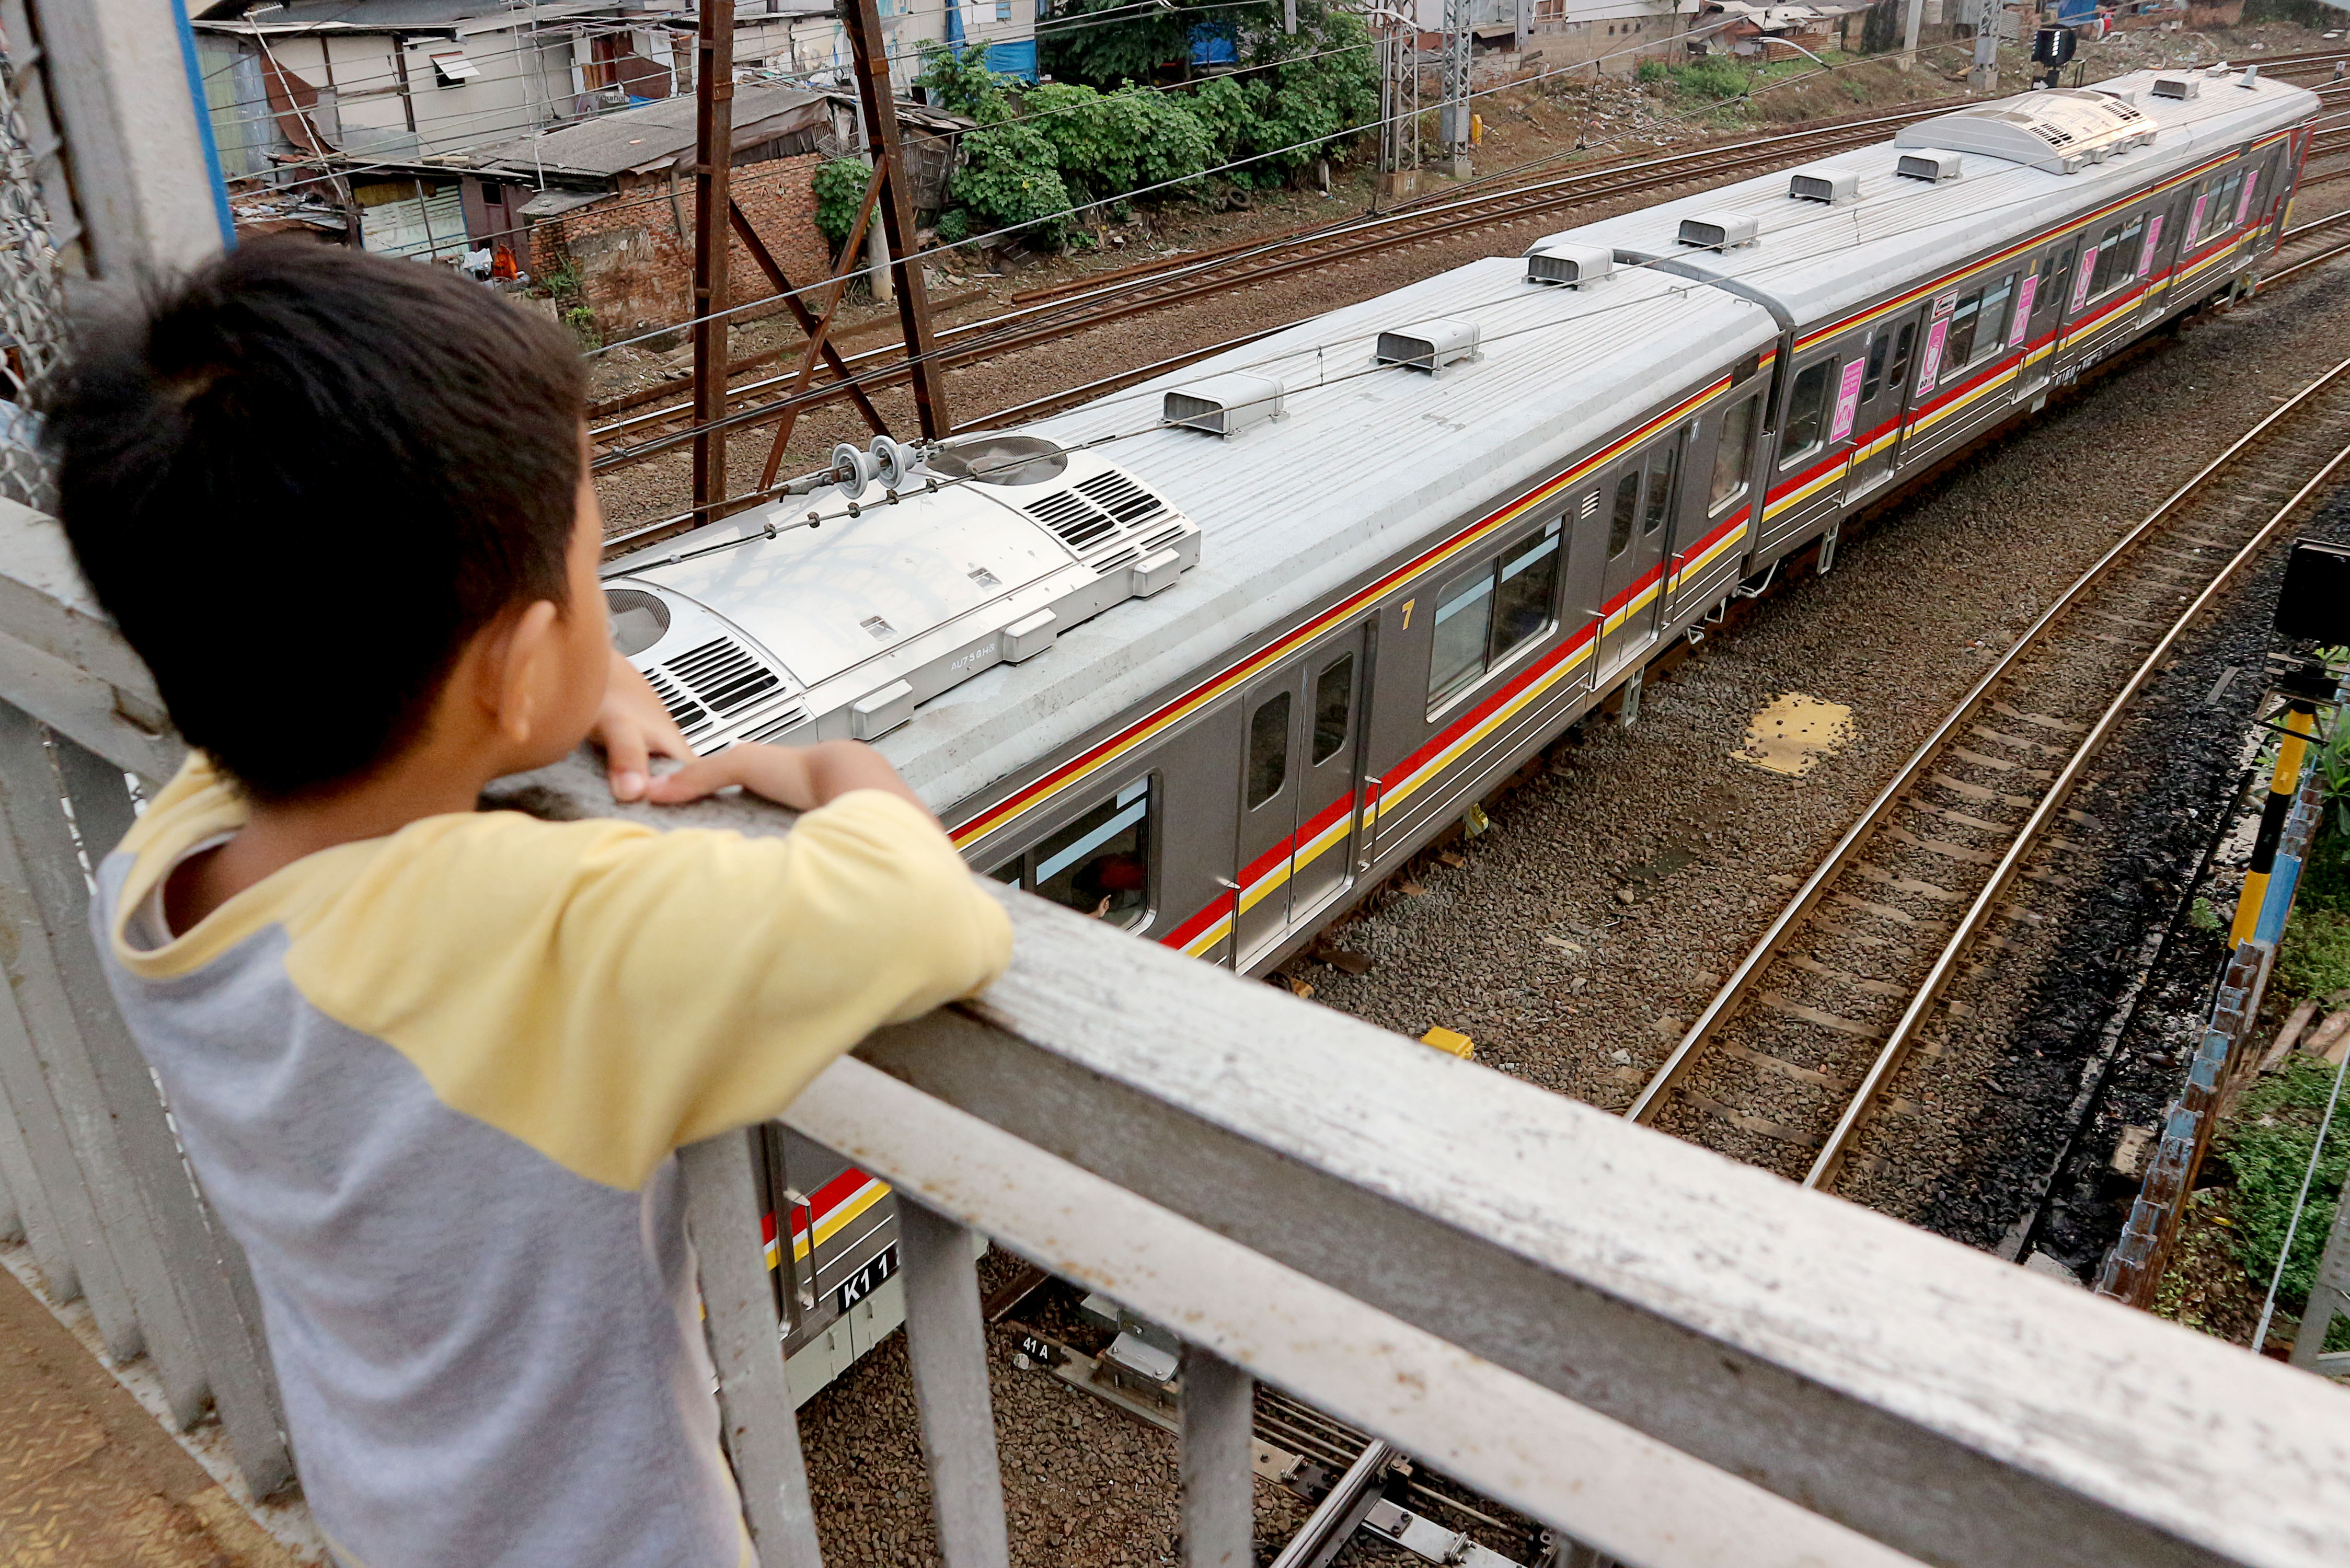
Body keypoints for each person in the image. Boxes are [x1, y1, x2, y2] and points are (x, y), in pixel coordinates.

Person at [44, 239, 1011, 1568]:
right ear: (512, 663)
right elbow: (931, 921)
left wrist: (558, 685)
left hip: (385, 1505)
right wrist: (831, 769)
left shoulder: (158, 874)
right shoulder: (537, 921)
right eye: (594, 581)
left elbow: (283, 673)